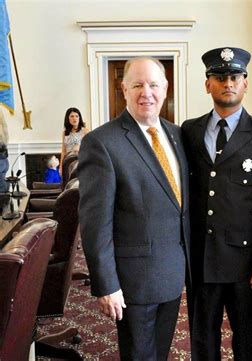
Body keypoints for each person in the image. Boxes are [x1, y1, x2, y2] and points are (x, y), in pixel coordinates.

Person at [78, 56, 190, 361]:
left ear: (165, 88)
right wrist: (107, 284)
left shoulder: (177, 135)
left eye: (154, 84)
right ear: (123, 88)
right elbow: (94, 223)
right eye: (138, 84)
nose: (147, 92)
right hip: (133, 282)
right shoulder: (101, 142)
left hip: (173, 274)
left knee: (161, 353)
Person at [182, 47, 252, 361]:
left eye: (235, 77)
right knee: (202, 340)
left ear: (245, 83)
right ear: (207, 84)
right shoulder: (189, 131)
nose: (228, 83)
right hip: (202, 259)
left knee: (247, 340)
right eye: (220, 77)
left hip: (245, 263)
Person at [60, 107, 89, 175]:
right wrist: (61, 166)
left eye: (76, 116)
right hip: (67, 161)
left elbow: (89, 148)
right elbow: (63, 150)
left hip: (80, 161)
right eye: (72, 116)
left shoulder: (85, 131)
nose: (74, 118)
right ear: (68, 118)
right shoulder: (65, 132)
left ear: (79, 118)